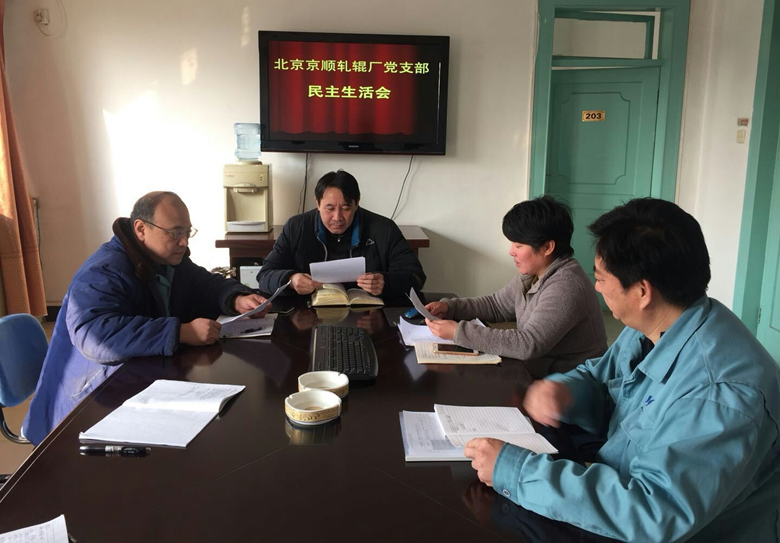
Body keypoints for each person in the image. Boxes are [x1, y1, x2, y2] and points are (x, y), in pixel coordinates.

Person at [464, 198, 780, 543]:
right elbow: (600, 375)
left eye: (601, 278)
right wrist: (565, 391)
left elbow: (654, 513)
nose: (596, 287)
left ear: (642, 292)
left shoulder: (720, 394)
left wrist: (515, 472)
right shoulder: (655, 325)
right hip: (615, 485)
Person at [23, 192, 270, 445]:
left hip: (136, 383)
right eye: (175, 233)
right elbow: (95, 336)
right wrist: (179, 332)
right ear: (141, 229)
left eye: (187, 232)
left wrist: (235, 298)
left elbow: (202, 283)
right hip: (83, 406)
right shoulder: (104, 270)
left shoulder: (166, 257)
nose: (184, 241)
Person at [424, 196, 606, 377]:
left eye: (518, 246)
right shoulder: (532, 274)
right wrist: (451, 307)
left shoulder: (566, 286)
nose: (511, 251)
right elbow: (496, 305)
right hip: (539, 376)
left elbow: (528, 344)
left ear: (547, 247)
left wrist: (458, 332)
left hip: (570, 385)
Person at [257, 170, 426, 302]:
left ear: (357, 203)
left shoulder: (384, 229)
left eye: (346, 208)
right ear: (317, 203)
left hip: (368, 315)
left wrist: (386, 282)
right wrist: (290, 280)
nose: (337, 217)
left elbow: (416, 277)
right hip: (307, 313)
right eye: (330, 208)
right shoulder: (296, 227)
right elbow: (264, 276)